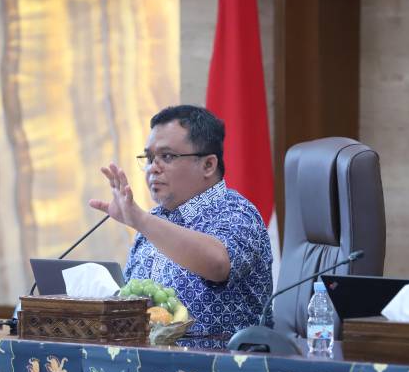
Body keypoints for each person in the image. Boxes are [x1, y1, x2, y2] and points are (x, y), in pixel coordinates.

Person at [89, 105, 273, 336]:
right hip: (146, 356)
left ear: (208, 165)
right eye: (149, 158)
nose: (152, 169)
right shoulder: (152, 222)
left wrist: (139, 219)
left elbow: (218, 264)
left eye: (167, 157)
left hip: (221, 357)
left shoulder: (238, 213)